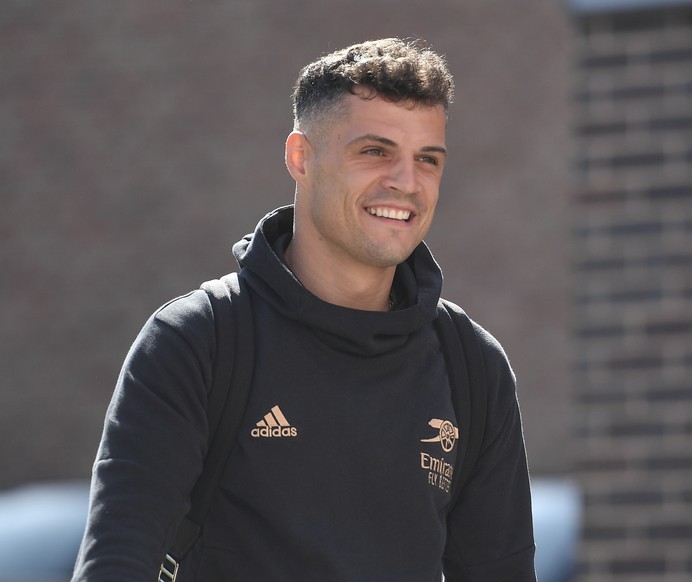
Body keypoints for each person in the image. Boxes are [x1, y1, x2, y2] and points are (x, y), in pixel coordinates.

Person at [72, 37, 537, 581]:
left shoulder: (472, 366)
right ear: (301, 157)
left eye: (427, 160)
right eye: (375, 151)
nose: (406, 182)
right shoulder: (198, 341)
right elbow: (115, 563)